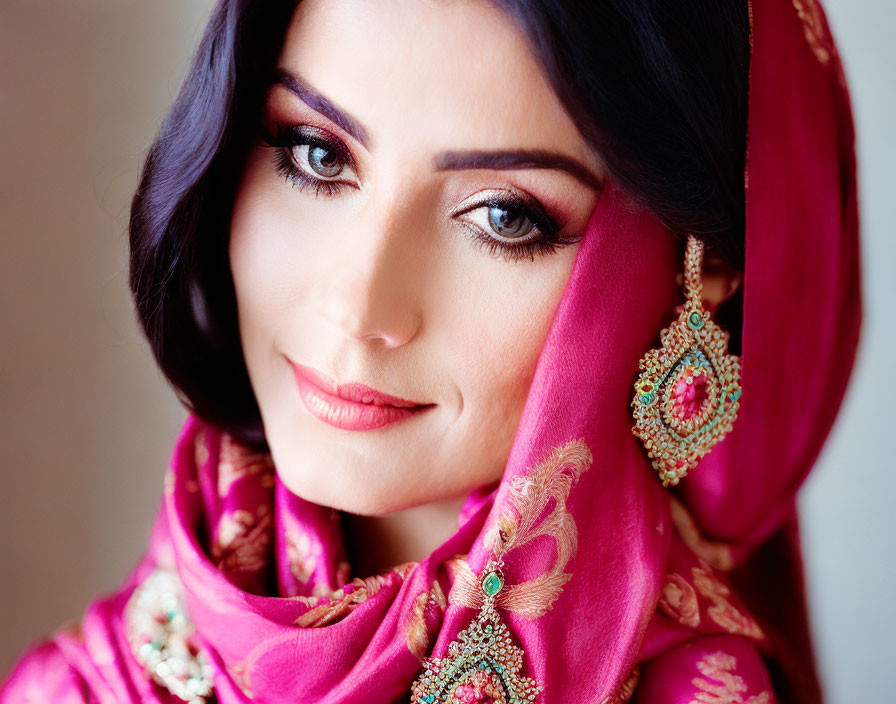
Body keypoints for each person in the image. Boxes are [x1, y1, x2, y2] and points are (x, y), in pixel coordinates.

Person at [0, 0, 860, 702]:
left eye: (503, 217)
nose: (357, 305)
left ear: (701, 277)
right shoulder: (86, 684)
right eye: (315, 153)